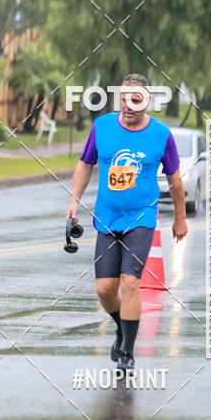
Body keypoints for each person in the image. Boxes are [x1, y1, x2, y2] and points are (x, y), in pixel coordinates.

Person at [66, 74, 188, 371]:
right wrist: (74, 201)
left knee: (131, 282)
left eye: (136, 99)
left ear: (147, 101)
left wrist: (180, 219)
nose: (128, 105)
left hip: (141, 218)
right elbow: (85, 163)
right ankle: (122, 328)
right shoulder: (102, 127)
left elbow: (175, 180)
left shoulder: (161, 135)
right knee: (105, 289)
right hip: (107, 219)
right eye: (124, 98)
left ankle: (127, 352)